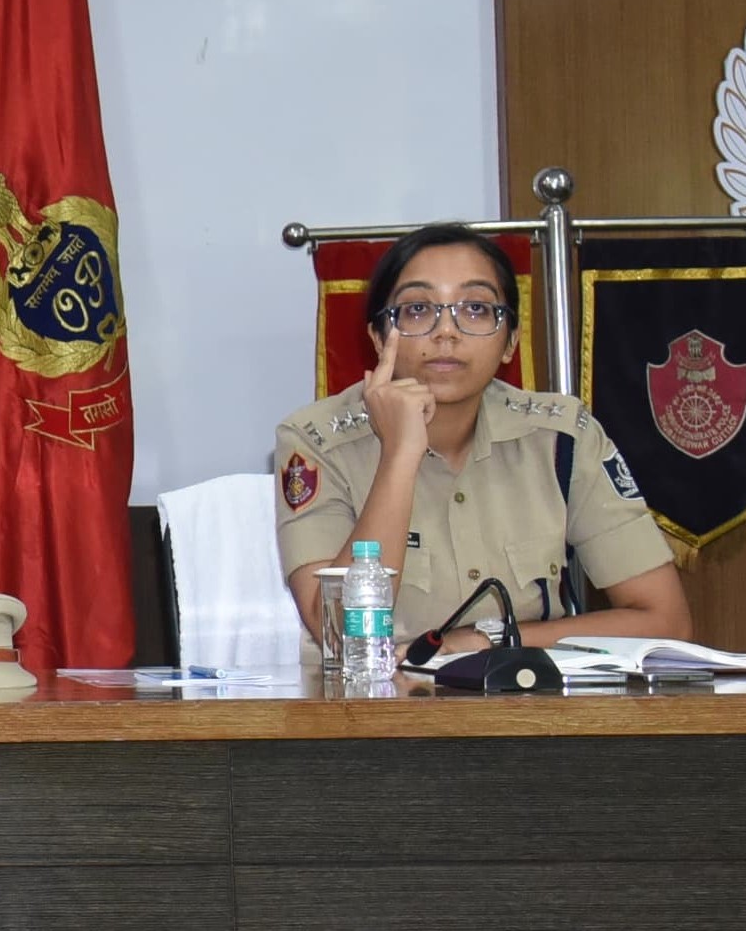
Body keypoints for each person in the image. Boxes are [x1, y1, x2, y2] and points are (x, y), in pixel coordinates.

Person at [272, 221, 689, 652]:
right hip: (377, 694)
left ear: (510, 342)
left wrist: (480, 643)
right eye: (418, 309)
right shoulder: (316, 441)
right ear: (379, 339)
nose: (446, 332)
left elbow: (666, 620)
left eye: (475, 308)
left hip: (525, 689)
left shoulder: (560, 437)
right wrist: (399, 456)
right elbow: (341, 636)